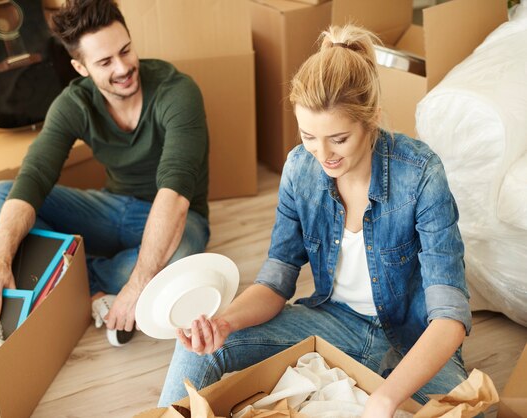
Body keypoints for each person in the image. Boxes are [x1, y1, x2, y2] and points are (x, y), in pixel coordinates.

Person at [158, 24, 472, 417]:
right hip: (331, 324)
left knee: (474, 408)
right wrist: (225, 323)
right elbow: (275, 282)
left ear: (371, 118)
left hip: (412, 340)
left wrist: (386, 397)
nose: (323, 155)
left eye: (338, 139)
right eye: (308, 135)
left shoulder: (421, 173)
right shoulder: (299, 169)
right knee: (200, 348)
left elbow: (449, 318)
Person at [0, 0, 210, 345]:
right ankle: (93, 280)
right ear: (80, 67)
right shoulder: (73, 103)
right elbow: (33, 177)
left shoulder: (177, 92)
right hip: (110, 208)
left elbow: (175, 196)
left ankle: (71, 278)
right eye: (105, 62)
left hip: (177, 216)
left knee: (185, 250)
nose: (124, 67)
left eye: (126, 51)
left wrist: (135, 286)